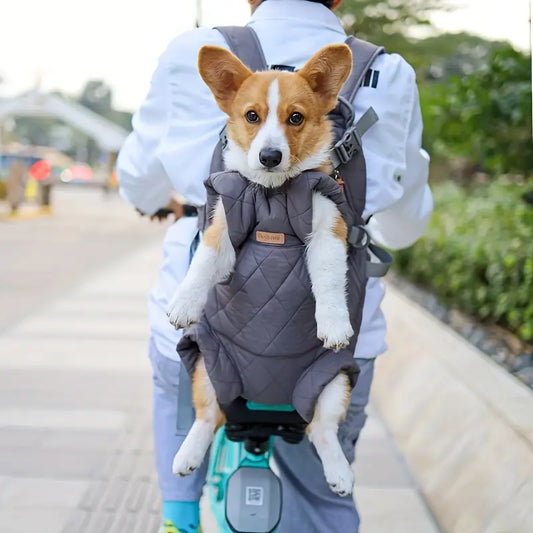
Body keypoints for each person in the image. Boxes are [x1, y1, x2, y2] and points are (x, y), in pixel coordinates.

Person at [117, 1, 433, 531]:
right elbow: (405, 223)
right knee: (324, 502)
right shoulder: (388, 71)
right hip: (332, 345)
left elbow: (139, 178)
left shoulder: (191, 52)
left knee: (179, 391)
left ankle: (178, 514)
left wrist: (160, 200)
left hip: (204, 328)